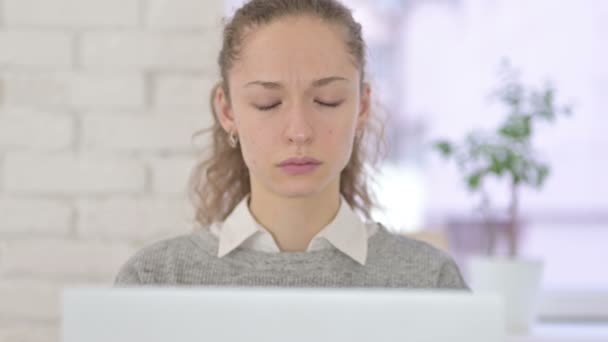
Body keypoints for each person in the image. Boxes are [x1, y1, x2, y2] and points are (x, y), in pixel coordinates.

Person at [114, 0, 468, 289]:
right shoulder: (156, 281)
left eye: (327, 100)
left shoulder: (429, 282)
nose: (299, 131)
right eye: (268, 104)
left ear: (361, 107)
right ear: (227, 111)